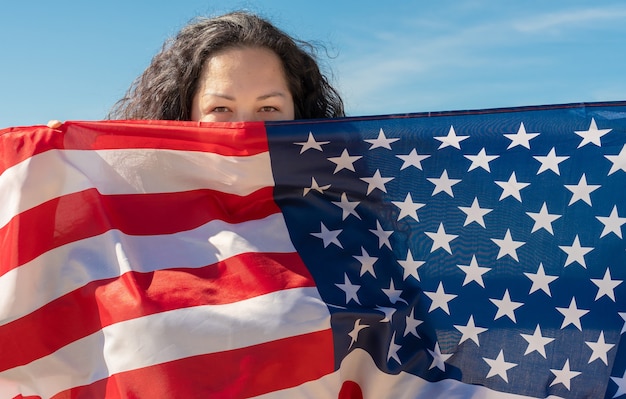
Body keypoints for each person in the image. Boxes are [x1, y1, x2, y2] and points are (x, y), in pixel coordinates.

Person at [107, 11, 344, 122]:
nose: (245, 127)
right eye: (220, 108)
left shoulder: (346, 213)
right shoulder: (131, 213)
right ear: (182, 113)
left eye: (269, 108)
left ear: (298, 111)